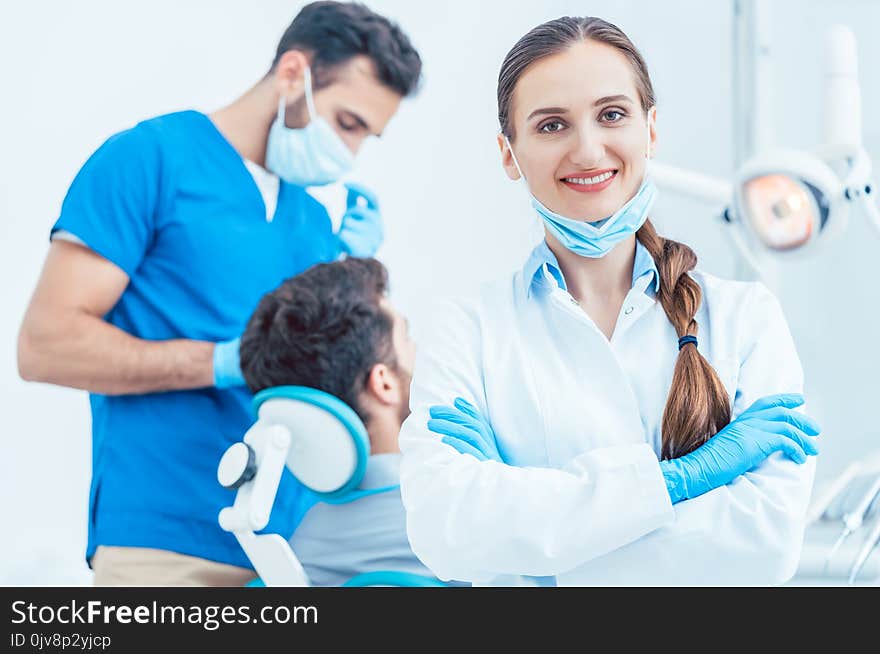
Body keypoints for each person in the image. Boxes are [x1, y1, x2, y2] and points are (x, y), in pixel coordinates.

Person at [397, 16, 821, 586]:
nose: (588, 148)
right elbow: (445, 531)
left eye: (612, 114)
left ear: (651, 130)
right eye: (551, 125)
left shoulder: (746, 318)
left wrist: (534, 543)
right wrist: (684, 480)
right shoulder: (467, 328)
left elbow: (764, 549)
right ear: (508, 153)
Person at [16, 1, 422, 586]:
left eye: (367, 137)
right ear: (293, 75)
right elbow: (46, 346)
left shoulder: (312, 223)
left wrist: (352, 272)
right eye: (348, 124)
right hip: (166, 539)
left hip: (292, 554)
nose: (349, 155)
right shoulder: (149, 160)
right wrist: (225, 360)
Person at [239, 258, 443, 586]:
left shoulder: (297, 552)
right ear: (383, 383)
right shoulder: (461, 515)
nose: (418, 351)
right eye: (407, 338)